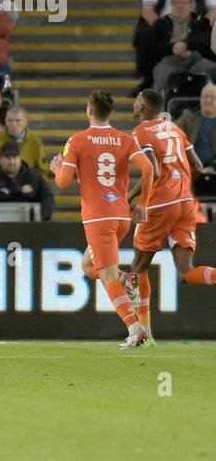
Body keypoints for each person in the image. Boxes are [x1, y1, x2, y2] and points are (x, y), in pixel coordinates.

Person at [50, 90, 154, 348]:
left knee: (106, 277)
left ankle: (134, 329)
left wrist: (56, 169)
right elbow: (149, 168)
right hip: (120, 216)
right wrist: (142, 204)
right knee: (87, 266)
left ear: (89, 110)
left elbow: (63, 183)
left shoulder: (77, 141)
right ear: (110, 112)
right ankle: (125, 280)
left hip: (98, 219)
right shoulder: (124, 139)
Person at [121, 89, 216, 343]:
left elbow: (152, 168)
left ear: (141, 105)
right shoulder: (174, 129)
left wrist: (129, 198)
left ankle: (144, 334)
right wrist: (179, 185)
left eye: (136, 100)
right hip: (186, 202)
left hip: (161, 204)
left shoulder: (140, 133)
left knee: (138, 268)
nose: (133, 103)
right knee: (186, 273)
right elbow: (197, 166)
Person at [139, 0, 216, 93]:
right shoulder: (161, 24)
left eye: (184, 3)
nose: (180, 6)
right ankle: (161, 106)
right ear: (171, 4)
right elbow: (152, 46)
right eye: (176, 2)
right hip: (169, 60)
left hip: (196, 60)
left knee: (211, 70)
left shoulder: (201, 22)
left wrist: (187, 44)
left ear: (191, 5)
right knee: (161, 73)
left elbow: (206, 40)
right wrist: (172, 48)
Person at [0, 140, 54, 220]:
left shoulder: (34, 176)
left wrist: (41, 218)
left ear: (20, 158)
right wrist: (21, 192)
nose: (12, 162)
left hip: (30, 227)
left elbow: (47, 196)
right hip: (0, 228)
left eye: (15, 157)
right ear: (0, 159)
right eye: (8, 158)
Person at [177, 83, 216, 170]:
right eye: (205, 97)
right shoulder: (188, 117)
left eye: (212, 97)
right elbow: (173, 135)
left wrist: (213, 168)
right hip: (191, 169)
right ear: (201, 99)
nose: (208, 100)